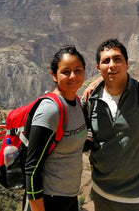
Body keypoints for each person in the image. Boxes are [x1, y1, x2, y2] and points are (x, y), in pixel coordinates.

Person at [84, 38, 139, 211]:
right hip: (101, 195)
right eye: (106, 61)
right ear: (98, 68)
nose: (112, 65)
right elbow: (81, 136)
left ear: (127, 64)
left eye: (117, 59)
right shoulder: (90, 101)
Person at [24, 45, 88, 211]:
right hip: (49, 200)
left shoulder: (77, 104)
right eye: (65, 71)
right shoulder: (50, 110)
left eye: (78, 70)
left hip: (69, 197)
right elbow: (32, 168)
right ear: (54, 75)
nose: (73, 76)